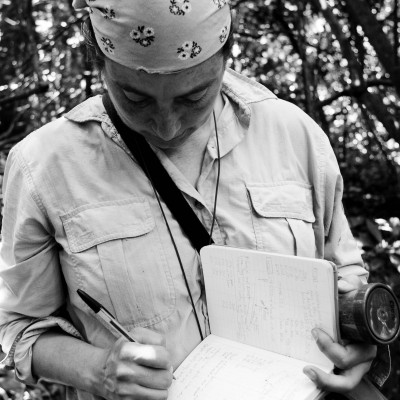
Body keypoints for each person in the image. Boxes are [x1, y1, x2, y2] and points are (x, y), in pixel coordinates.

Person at [0, 1, 388, 399]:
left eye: (194, 97)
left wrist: (357, 338)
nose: (167, 126)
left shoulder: (293, 135)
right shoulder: (44, 166)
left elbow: (345, 280)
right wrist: (99, 371)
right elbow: (21, 329)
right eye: (135, 99)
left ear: (225, 57)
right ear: (99, 62)